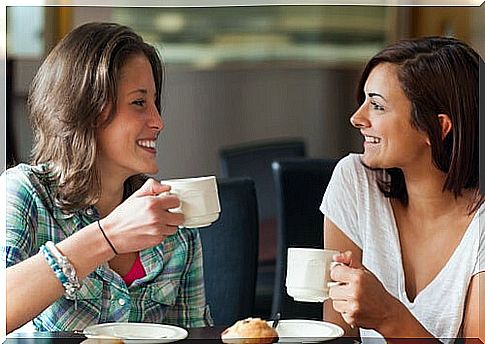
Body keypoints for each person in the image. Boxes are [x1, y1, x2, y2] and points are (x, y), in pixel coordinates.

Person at [2, 22, 213, 333]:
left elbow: (194, 336)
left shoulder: (173, 225)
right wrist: (108, 236)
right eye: (139, 103)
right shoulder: (26, 194)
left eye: (155, 103)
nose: (158, 121)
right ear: (86, 108)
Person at [320, 36, 483, 342]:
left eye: (378, 106)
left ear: (437, 128)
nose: (357, 118)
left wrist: (388, 316)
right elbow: (338, 334)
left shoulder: (480, 227)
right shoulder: (355, 182)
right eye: (364, 101)